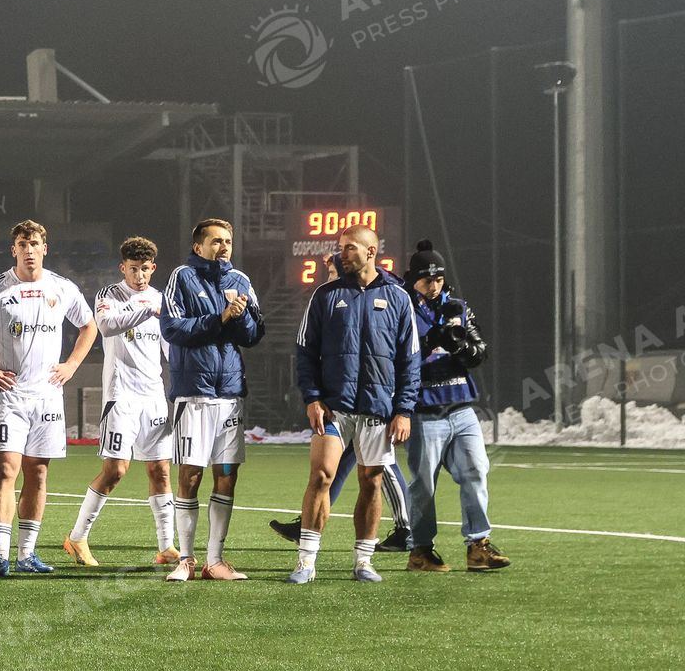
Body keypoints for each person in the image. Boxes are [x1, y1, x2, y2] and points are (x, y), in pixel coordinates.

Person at [0, 219, 96, 577]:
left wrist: (72, 365)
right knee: (6, 471)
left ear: (45, 248)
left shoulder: (62, 288)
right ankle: (0, 556)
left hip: (47, 397)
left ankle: (27, 555)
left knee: (38, 473)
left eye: (35, 244)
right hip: (10, 396)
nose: (29, 250)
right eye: (23, 245)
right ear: (13, 250)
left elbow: (88, 326)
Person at [288, 224, 419, 584]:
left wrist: (403, 410)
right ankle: (305, 561)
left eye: (349, 248)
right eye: (341, 247)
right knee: (321, 475)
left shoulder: (398, 298)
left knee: (371, 481)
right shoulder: (325, 295)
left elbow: (410, 360)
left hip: (377, 407)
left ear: (371, 252)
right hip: (334, 406)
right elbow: (305, 351)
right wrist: (313, 398)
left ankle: (363, 561)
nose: (340, 254)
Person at [158, 218, 265, 582]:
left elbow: (254, 335)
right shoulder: (182, 277)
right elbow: (172, 328)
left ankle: (215, 561)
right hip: (193, 394)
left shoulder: (241, 281)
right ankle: (186, 560)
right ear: (198, 246)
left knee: (227, 476)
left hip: (230, 395)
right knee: (190, 475)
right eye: (216, 241)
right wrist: (219, 318)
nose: (223, 247)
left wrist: (241, 317)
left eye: (228, 241)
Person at [64, 236, 179, 568]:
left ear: (153, 268)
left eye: (144, 269)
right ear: (122, 268)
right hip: (121, 396)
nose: (139, 276)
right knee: (115, 470)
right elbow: (106, 326)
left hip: (153, 397)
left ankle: (166, 546)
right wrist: (147, 309)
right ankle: (77, 537)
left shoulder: (162, 299)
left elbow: (170, 348)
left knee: (160, 470)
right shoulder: (109, 295)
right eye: (133, 269)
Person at [404, 239, 510, 573]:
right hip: (423, 410)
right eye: (426, 279)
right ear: (414, 279)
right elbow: (396, 357)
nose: (433, 285)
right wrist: (430, 342)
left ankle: (478, 546)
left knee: (476, 471)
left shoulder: (458, 307)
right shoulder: (402, 308)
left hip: (461, 408)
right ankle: (421, 550)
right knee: (424, 485)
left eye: (438, 278)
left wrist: (462, 347)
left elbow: (480, 352)